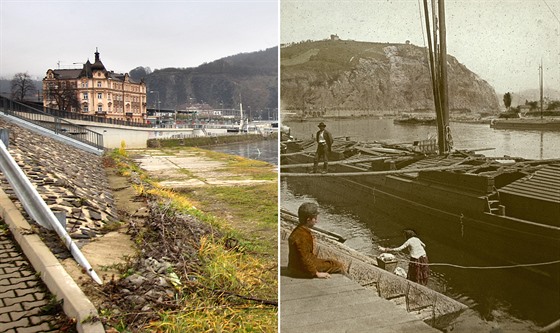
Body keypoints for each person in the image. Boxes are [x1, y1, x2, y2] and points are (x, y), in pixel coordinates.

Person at [288, 202, 345, 279]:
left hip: (298, 267)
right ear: (308, 219)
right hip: (300, 270)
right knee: (338, 266)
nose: (316, 221)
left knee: (332, 262)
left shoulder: (299, 230)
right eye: (315, 218)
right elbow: (305, 258)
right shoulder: (302, 236)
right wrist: (316, 273)